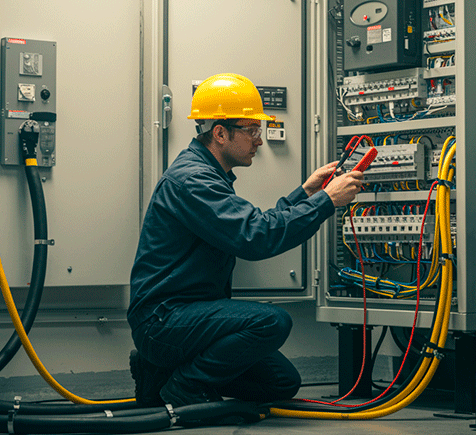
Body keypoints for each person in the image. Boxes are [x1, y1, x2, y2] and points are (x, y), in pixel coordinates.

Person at [127, 73, 363, 407]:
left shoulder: (207, 173)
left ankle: (157, 372)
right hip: (165, 321)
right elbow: (255, 236)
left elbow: (253, 224)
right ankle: (185, 388)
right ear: (220, 133)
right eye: (251, 130)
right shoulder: (194, 180)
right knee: (273, 322)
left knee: (281, 383)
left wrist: (307, 192)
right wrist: (326, 202)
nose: (259, 140)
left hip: (187, 317)